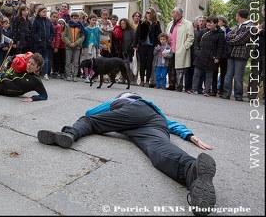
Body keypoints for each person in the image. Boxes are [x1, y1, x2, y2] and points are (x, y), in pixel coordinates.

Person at [37, 91, 216, 216]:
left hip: (133, 116)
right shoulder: (153, 109)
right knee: (158, 151)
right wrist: (190, 136)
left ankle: (69, 134)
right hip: (155, 124)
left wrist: (110, 113)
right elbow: (172, 124)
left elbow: (91, 113)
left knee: (89, 121)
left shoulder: (125, 100)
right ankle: (193, 171)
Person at [222, 9, 255, 101]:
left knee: (238, 76)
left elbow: (241, 39)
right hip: (232, 53)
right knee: (228, 75)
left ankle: (238, 95)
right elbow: (228, 35)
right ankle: (226, 93)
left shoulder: (250, 26)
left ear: (238, 15)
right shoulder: (239, 26)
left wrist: (233, 38)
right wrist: (234, 37)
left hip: (241, 54)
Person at [188, 16, 224, 96]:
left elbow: (220, 46)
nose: (208, 24)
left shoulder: (220, 33)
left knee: (209, 74)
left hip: (212, 56)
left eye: (210, 22)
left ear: (215, 23)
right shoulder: (203, 31)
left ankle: (207, 91)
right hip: (201, 55)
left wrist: (218, 57)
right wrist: (197, 52)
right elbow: (196, 42)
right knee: (196, 73)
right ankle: (194, 89)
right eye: (207, 22)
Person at [166, 7, 194, 92]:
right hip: (171, 49)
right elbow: (167, 34)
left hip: (180, 49)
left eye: (173, 12)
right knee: (170, 68)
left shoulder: (188, 24)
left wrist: (185, 46)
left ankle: (179, 86)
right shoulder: (171, 24)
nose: (172, 14)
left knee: (179, 69)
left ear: (178, 14)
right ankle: (171, 84)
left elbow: (191, 37)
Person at [133, 7, 162, 87]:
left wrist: (158, 43)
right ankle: (142, 80)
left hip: (151, 46)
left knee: (149, 63)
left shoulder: (156, 23)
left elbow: (158, 35)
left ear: (153, 14)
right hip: (142, 45)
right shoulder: (142, 22)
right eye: (147, 12)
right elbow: (137, 34)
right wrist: (135, 45)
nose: (148, 14)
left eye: (149, 13)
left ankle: (147, 81)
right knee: (142, 63)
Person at [30, 5, 55, 80]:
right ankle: (36, 72)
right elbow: (32, 32)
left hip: (47, 44)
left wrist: (50, 39)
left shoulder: (48, 21)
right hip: (39, 44)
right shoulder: (36, 21)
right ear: (39, 13)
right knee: (37, 59)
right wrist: (38, 39)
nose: (45, 13)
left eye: (46, 11)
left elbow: (53, 32)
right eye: (43, 12)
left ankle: (45, 73)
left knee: (46, 59)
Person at [63, 11, 86, 82]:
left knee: (76, 62)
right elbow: (64, 36)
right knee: (68, 61)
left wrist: (76, 43)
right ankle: (68, 75)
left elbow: (82, 37)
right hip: (68, 46)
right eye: (74, 18)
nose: (75, 20)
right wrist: (69, 43)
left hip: (77, 46)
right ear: (71, 18)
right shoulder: (67, 26)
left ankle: (75, 75)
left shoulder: (80, 26)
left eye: (77, 18)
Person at [81, 13, 100, 83]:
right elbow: (84, 39)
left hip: (94, 48)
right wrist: (82, 48)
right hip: (86, 47)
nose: (94, 21)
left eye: (95, 20)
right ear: (89, 20)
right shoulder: (86, 29)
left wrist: (98, 48)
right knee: (87, 61)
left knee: (93, 62)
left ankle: (91, 76)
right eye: (93, 20)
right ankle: (86, 76)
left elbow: (98, 39)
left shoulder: (97, 29)